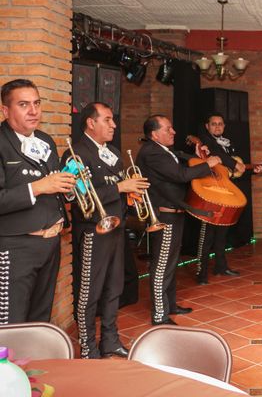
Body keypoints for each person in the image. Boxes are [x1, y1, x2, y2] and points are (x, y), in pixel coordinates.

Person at [64, 102, 149, 358]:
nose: (114, 125)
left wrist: (130, 195)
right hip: (92, 232)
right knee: (89, 291)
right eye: (108, 120)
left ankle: (110, 340)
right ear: (91, 123)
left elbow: (116, 185)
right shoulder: (76, 154)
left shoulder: (111, 152)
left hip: (115, 228)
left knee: (114, 288)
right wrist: (121, 188)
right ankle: (88, 346)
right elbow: (79, 197)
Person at [0, 79, 76, 324]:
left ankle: (34, 364)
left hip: (50, 244)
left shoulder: (45, 140)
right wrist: (38, 187)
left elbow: (54, 186)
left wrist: (70, 189)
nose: (33, 111)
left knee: (40, 320)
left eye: (37, 103)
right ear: (5, 110)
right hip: (16, 246)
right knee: (11, 322)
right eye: (23, 105)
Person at [136, 115, 221, 325]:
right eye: (168, 129)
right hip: (163, 216)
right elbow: (180, 175)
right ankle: (159, 315)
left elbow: (179, 163)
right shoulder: (151, 152)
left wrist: (198, 156)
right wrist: (207, 164)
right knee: (162, 265)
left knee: (171, 265)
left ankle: (170, 305)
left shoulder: (163, 151)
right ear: (155, 134)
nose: (173, 132)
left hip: (174, 213)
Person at [196, 113, 262, 282]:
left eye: (220, 124)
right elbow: (218, 156)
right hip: (210, 194)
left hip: (226, 193)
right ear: (207, 126)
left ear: (224, 126)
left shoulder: (229, 144)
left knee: (222, 233)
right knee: (207, 235)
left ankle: (221, 267)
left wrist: (249, 169)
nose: (217, 127)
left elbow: (232, 172)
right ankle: (201, 274)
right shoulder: (204, 140)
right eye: (213, 124)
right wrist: (235, 164)